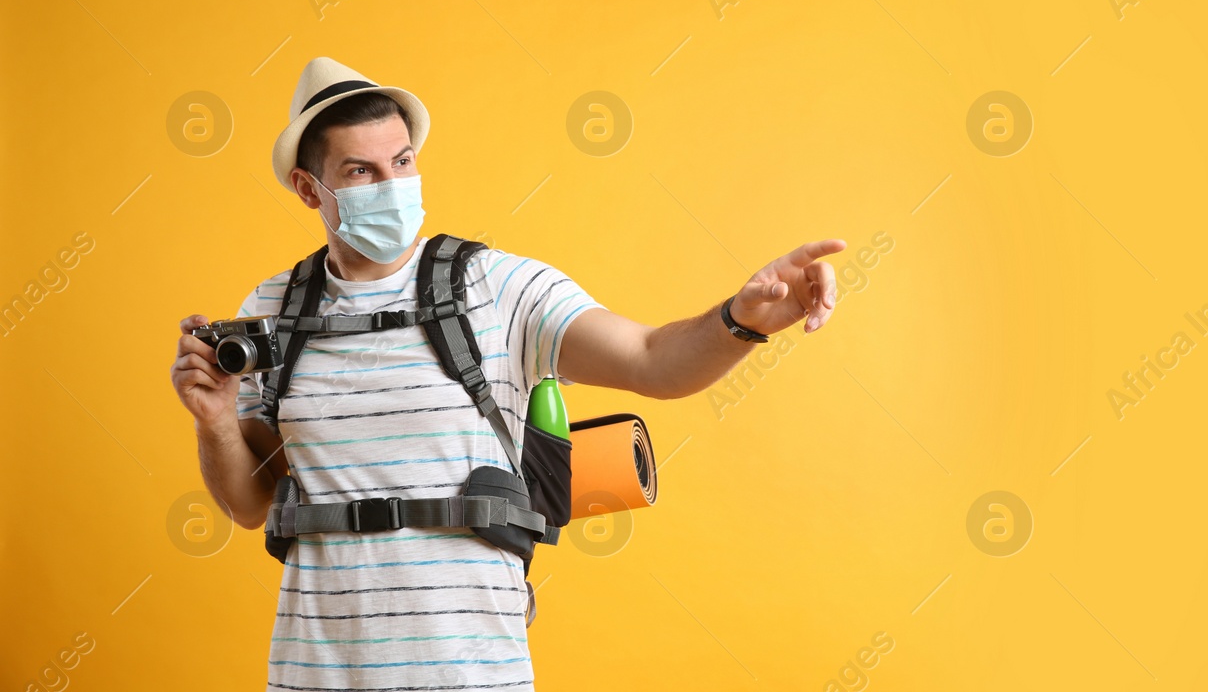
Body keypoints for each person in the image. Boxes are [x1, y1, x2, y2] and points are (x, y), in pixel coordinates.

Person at [167, 57, 845, 690]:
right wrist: (216, 419)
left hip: (474, 672)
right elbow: (250, 505)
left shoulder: (498, 287)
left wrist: (742, 318)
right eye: (361, 172)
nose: (392, 184)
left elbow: (652, 361)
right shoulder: (270, 311)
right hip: (312, 671)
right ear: (309, 188)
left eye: (402, 162)